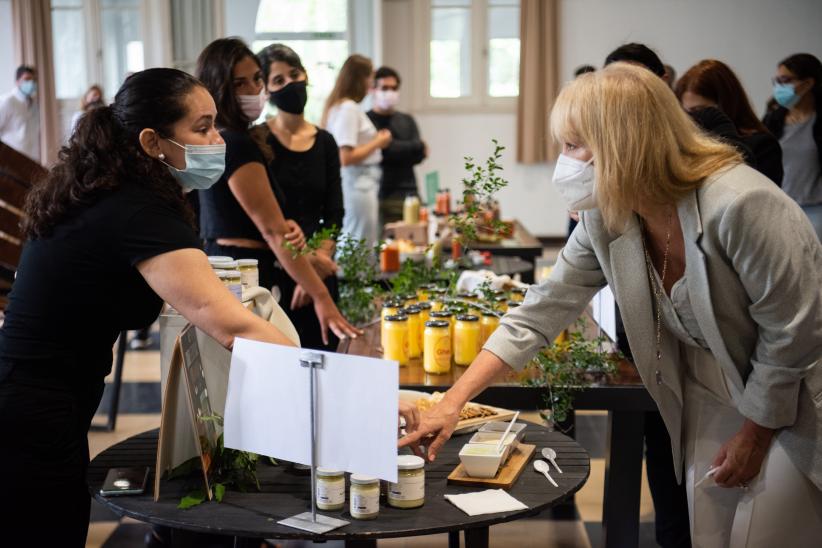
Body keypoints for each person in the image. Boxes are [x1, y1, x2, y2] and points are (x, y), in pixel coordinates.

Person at [403, 63, 822, 547]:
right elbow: (542, 308)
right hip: (711, 392)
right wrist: (451, 403)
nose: (564, 162)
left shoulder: (741, 204)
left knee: (766, 534)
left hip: (791, 400)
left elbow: (793, 332)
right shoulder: (610, 214)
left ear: (624, 144)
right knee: (712, 533)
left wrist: (754, 433)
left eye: (573, 146)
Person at [195, 38, 359, 351]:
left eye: (256, 78)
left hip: (260, 264)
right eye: (240, 83)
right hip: (247, 270)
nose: (253, 89)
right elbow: (271, 230)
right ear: (219, 87)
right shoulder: (240, 143)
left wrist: (305, 245)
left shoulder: (231, 138)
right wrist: (321, 295)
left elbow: (271, 219)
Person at [604, 43, 692, 548]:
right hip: (646, 343)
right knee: (657, 445)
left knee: (683, 462)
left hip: (711, 374)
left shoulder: (723, 198)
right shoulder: (609, 197)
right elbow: (549, 300)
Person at [322, 54, 392, 251]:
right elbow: (346, 157)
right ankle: (356, 281)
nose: (371, 83)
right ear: (360, 78)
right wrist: (378, 141)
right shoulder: (348, 109)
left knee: (360, 237)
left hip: (360, 182)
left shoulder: (343, 107)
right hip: (358, 183)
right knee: (359, 241)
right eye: (370, 77)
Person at [676, 59, 783, 185]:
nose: (692, 119)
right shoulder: (684, 144)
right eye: (686, 111)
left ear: (726, 103)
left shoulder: (762, 145)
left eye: (700, 110)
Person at [763, 53, 822, 241]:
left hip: (816, 210)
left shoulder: (818, 122)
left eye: (785, 80)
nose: (779, 87)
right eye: (777, 81)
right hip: (779, 209)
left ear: (807, 84)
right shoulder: (772, 120)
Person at [366, 66, 426, 224]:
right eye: (385, 88)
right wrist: (412, 147)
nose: (390, 92)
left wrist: (390, 146)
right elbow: (380, 155)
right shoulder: (367, 121)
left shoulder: (407, 119)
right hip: (383, 195)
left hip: (411, 194)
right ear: (373, 89)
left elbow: (419, 154)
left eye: (394, 88)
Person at [0, 65, 40, 162]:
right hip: (11, 161)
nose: (31, 83)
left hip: (32, 159)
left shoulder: (34, 104)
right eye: (27, 79)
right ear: (17, 81)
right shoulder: (7, 101)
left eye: (34, 80)